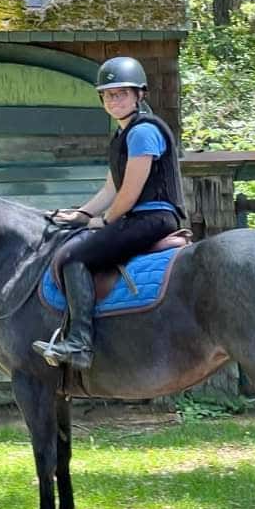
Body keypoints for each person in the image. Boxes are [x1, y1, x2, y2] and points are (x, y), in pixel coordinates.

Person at [32, 56, 187, 369]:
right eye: (108, 94)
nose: (114, 100)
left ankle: (79, 343)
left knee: (74, 258)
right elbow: (111, 190)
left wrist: (104, 220)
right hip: (136, 217)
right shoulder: (121, 137)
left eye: (121, 93)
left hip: (152, 218)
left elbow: (129, 194)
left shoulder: (143, 132)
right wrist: (80, 214)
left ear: (139, 95)